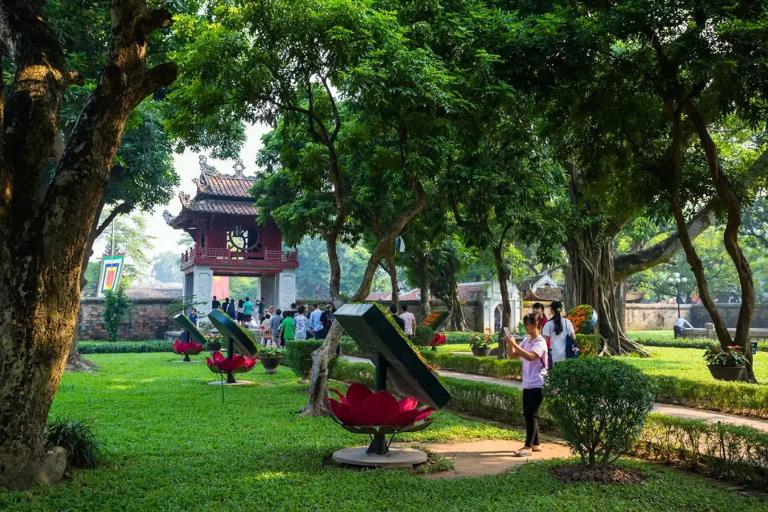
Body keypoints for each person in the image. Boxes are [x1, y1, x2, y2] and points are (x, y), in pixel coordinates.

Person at [505, 312, 547, 457]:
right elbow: (512, 355)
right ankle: (536, 444)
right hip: (528, 383)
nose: (526, 327)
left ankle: (527, 446)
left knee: (531, 414)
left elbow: (530, 357)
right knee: (529, 414)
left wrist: (515, 344)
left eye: (527, 324)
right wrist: (510, 344)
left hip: (538, 383)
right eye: (525, 324)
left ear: (536, 325)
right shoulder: (527, 340)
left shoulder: (540, 342)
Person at [542, 300, 576, 366]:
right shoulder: (567, 322)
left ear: (552, 310)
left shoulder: (548, 324)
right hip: (567, 355)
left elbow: (544, 342)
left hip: (554, 356)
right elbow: (574, 338)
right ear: (561, 310)